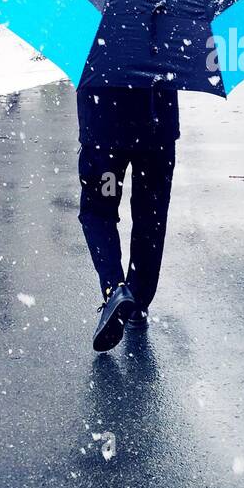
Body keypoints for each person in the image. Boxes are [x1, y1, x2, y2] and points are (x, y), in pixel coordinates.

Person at [77, 81, 179, 351]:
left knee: (100, 210)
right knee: (151, 216)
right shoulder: (167, 36)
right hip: (157, 127)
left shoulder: (92, 39)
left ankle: (115, 288)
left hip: (103, 130)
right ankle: (137, 301)